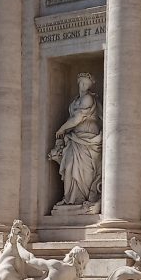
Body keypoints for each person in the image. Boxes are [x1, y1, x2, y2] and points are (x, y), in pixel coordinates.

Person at [48, 73, 103, 208]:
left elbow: (77, 119)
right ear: (78, 83)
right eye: (82, 83)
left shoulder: (88, 98)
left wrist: (62, 128)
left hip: (88, 137)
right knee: (70, 166)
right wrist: (66, 131)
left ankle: (83, 198)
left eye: (87, 84)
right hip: (75, 137)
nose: (84, 86)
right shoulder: (75, 101)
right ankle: (70, 198)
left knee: (86, 170)